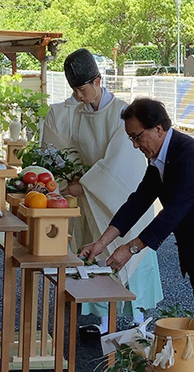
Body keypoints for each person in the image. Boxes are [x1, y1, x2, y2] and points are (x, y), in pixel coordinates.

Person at [80, 98, 194, 328]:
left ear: (158, 129)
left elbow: (172, 214)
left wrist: (130, 249)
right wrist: (101, 243)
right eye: (131, 138)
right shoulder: (160, 158)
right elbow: (138, 201)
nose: (135, 145)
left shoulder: (191, 157)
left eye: (137, 137)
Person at [42, 49, 163, 336]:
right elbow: (75, 150)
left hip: (120, 195)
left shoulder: (122, 113)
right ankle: (104, 319)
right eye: (75, 91)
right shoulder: (79, 114)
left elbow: (118, 163)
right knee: (96, 254)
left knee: (128, 253)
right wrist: (71, 174)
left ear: (97, 81)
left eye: (83, 89)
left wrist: (81, 185)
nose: (79, 96)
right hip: (92, 195)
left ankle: (138, 322)